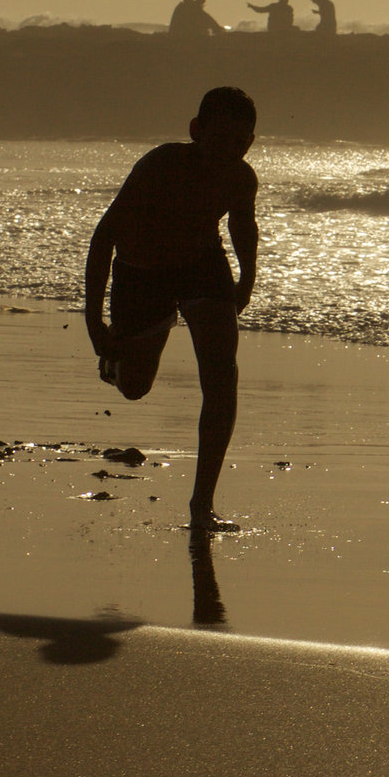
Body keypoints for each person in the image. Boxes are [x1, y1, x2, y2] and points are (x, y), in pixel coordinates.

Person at [82, 86, 261, 532]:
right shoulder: (161, 165)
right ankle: (116, 362)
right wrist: (93, 321)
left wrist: (246, 279)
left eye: (242, 143)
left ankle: (202, 505)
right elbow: (104, 237)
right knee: (135, 387)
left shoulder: (241, 177)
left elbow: (242, 223)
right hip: (141, 272)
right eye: (222, 141)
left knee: (222, 377)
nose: (231, 152)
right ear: (196, 131)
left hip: (203, 265)